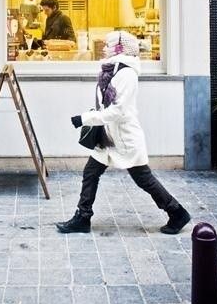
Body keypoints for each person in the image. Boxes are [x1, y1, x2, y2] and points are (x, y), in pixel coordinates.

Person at [56, 30, 191, 235]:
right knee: (91, 173)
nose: (103, 47)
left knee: (143, 179)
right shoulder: (111, 70)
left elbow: (118, 111)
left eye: (108, 45)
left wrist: (84, 119)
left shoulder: (126, 73)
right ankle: (83, 217)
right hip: (108, 137)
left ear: (119, 48)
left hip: (125, 139)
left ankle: (177, 212)